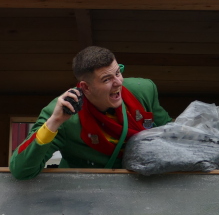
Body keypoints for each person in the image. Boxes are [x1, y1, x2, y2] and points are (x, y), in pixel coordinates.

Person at [9, 46, 171, 179]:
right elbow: (21, 170)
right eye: (106, 79)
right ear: (85, 87)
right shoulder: (62, 114)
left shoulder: (143, 90)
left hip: (142, 192)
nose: (118, 83)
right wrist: (54, 122)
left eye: (118, 73)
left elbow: (171, 134)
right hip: (84, 199)